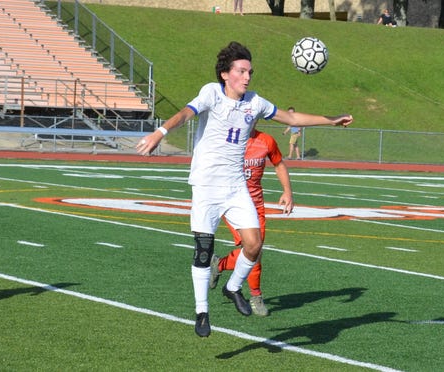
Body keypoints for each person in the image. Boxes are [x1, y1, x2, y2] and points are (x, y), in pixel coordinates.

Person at [136, 41, 352, 337]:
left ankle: (232, 286)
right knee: (203, 251)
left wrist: (330, 119)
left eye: (250, 71)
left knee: (254, 243)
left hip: (236, 186)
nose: (247, 76)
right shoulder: (211, 92)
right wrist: (160, 133)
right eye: (241, 71)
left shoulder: (255, 102)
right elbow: (186, 113)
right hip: (206, 186)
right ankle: (202, 312)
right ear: (226, 74)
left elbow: (290, 118)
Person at [209, 126, 294, 317]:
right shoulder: (226, 140)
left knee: (255, 251)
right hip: (231, 204)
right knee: (253, 250)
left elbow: (279, 163)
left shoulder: (266, 140)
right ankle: (256, 295)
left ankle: (220, 264)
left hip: (255, 206)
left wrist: (287, 191)